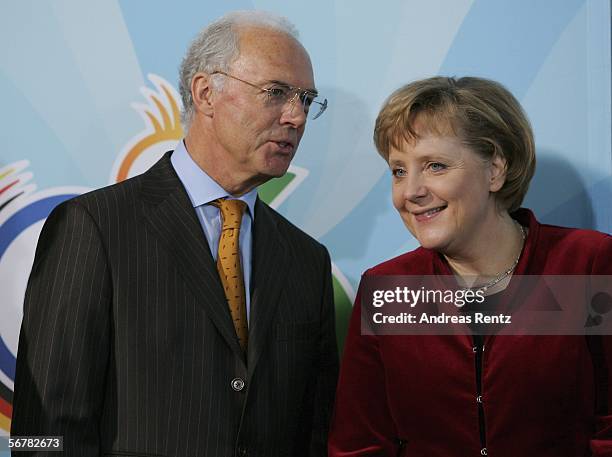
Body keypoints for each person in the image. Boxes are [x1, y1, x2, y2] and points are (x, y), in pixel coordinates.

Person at [11, 11, 338, 457]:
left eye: (306, 99)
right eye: (276, 93)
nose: (297, 117)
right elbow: (41, 431)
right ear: (206, 92)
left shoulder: (307, 259)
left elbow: (315, 431)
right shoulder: (93, 227)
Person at [328, 76, 612, 456]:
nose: (410, 191)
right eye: (398, 170)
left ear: (495, 169)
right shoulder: (388, 287)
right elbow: (360, 444)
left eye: (435, 166)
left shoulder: (585, 263)